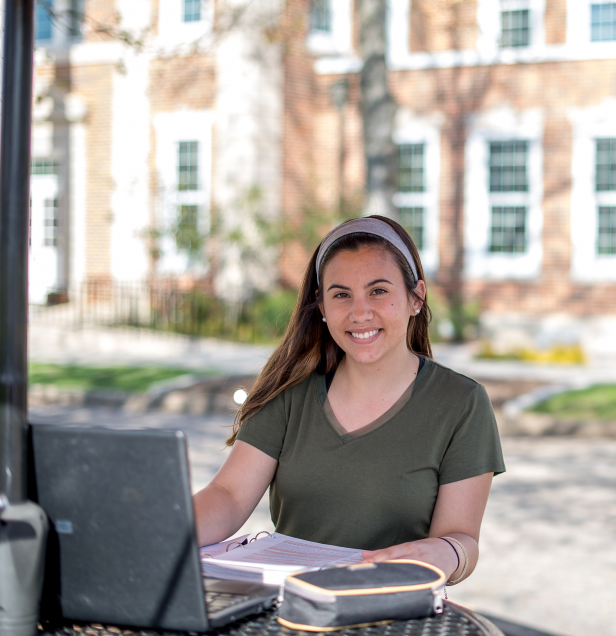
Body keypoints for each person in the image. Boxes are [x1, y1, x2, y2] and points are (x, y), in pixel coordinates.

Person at [192, 216, 504, 585]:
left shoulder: (461, 403)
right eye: (341, 295)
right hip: (293, 608)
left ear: (416, 297)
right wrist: (157, 531)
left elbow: (461, 538)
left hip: (395, 610)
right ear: (322, 307)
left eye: (378, 291)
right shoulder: (291, 392)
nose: (359, 313)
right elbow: (228, 495)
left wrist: (447, 553)